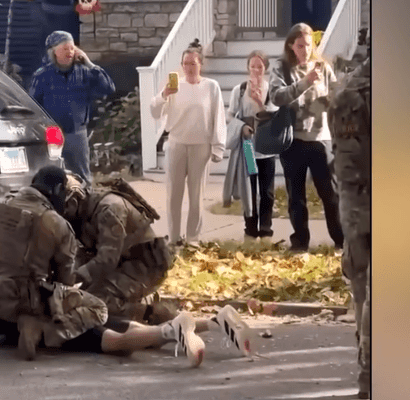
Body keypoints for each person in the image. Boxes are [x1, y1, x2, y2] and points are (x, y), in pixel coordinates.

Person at [0, 165, 81, 360]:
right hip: (29, 301)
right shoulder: (57, 223)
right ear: (58, 190)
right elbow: (66, 281)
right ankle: (30, 326)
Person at [58, 173, 179, 325]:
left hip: (145, 266)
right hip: (122, 263)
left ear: (74, 201)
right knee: (78, 298)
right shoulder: (82, 212)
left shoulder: (109, 209)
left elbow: (107, 260)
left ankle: (154, 315)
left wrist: (73, 278)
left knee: (94, 303)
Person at [269, 23, 345, 253]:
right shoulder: (281, 67)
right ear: (291, 45)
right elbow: (276, 96)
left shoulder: (323, 67)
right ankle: (300, 244)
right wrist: (304, 83)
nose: (305, 50)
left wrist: (333, 101)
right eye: (300, 46)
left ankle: (342, 241)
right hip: (293, 140)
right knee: (296, 196)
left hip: (321, 139)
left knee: (330, 194)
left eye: (308, 45)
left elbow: (337, 95)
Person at [328, 32, 373, 398]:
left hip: (356, 206)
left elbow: (342, 161)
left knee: (363, 294)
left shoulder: (347, 93)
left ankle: (368, 371)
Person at [149, 39, 227, 246]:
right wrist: (164, 94)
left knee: (196, 195)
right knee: (174, 194)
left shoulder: (211, 87)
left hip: (200, 146)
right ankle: (174, 238)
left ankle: (193, 238)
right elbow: (154, 112)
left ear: (200, 64)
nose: (189, 67)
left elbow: (218, 117)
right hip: (176, 144)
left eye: (193, 63)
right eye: (185, 63)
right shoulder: (174, 87)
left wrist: (218, 147)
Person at [29, 31, 117, 184]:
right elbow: (33, 105)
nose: (69, 52)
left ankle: (85, 204)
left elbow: (109, 88)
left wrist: (89, 63)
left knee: (82, 176)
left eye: (72, 48)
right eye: (65, 48)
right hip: (52, 133)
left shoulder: (84, 72)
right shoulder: (42, 75)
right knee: (52, 175)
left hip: (77, 132)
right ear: (53, 52)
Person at [0, 309, 209, 368]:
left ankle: (170, 331)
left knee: (116, 342)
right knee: (139, 331)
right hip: (73, 301)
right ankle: (215, 322)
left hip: (54, 322)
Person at [223, 50, 279, 242]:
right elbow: (230, 115)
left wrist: (258, 101)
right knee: (249, 190)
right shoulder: (239, 90)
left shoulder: (271, 89)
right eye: (253, 66)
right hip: (247, 146)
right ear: (248, 67)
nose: (256, 70)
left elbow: (273, 116)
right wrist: (242, 127)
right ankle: (250, 229)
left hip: (266, 146)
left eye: (260, 66)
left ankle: (266, 230)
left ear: (266, 68)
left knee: (267, 192)